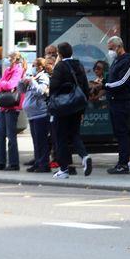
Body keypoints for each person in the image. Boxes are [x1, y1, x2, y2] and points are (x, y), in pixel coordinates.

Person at [50, 42, 93, 179]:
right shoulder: (78, 65)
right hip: (76, 107)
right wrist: (82, 109)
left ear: (59, 53)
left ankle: (64, 169)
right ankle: (84, 156)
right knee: (74, 134)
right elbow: (85, 88)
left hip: (62, 108)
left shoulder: (60, 66)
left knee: (61, 138)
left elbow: (53, 87)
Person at [104, 36, 130, 175]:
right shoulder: (116, 61)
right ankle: (121, 162)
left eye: (111, 48)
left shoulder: (128, 61)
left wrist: (105, 85)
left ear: (118, 47)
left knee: (123, 133)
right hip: (114, 101)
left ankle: (124, 164)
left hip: (122, 103)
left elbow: (123, 81)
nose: (110, 51)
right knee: (119, 133)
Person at [0, 51, 26, 171]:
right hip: (3, 105)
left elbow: (12, 85)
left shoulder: (18, 70)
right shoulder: (6, 71)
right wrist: (3, 84)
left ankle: (14, 163)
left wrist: (3, 84)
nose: (7, 60)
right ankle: (1, 162)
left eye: (9, 58)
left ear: (15, 60)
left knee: (11, 136)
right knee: (0, 135)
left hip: (12, 106)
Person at [24, 57, 52, 173]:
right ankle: (37, 162)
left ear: (41, 67)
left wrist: (32, 81)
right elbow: (22, 91)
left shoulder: (43, 77)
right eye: (33, 65)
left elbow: (41, 91)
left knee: (41, 140)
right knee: (36, 141)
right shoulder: (34, 78)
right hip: (32, 114)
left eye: (35, 65)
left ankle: (44, 164)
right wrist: (22, 82)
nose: (33, 68)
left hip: (40, 113)